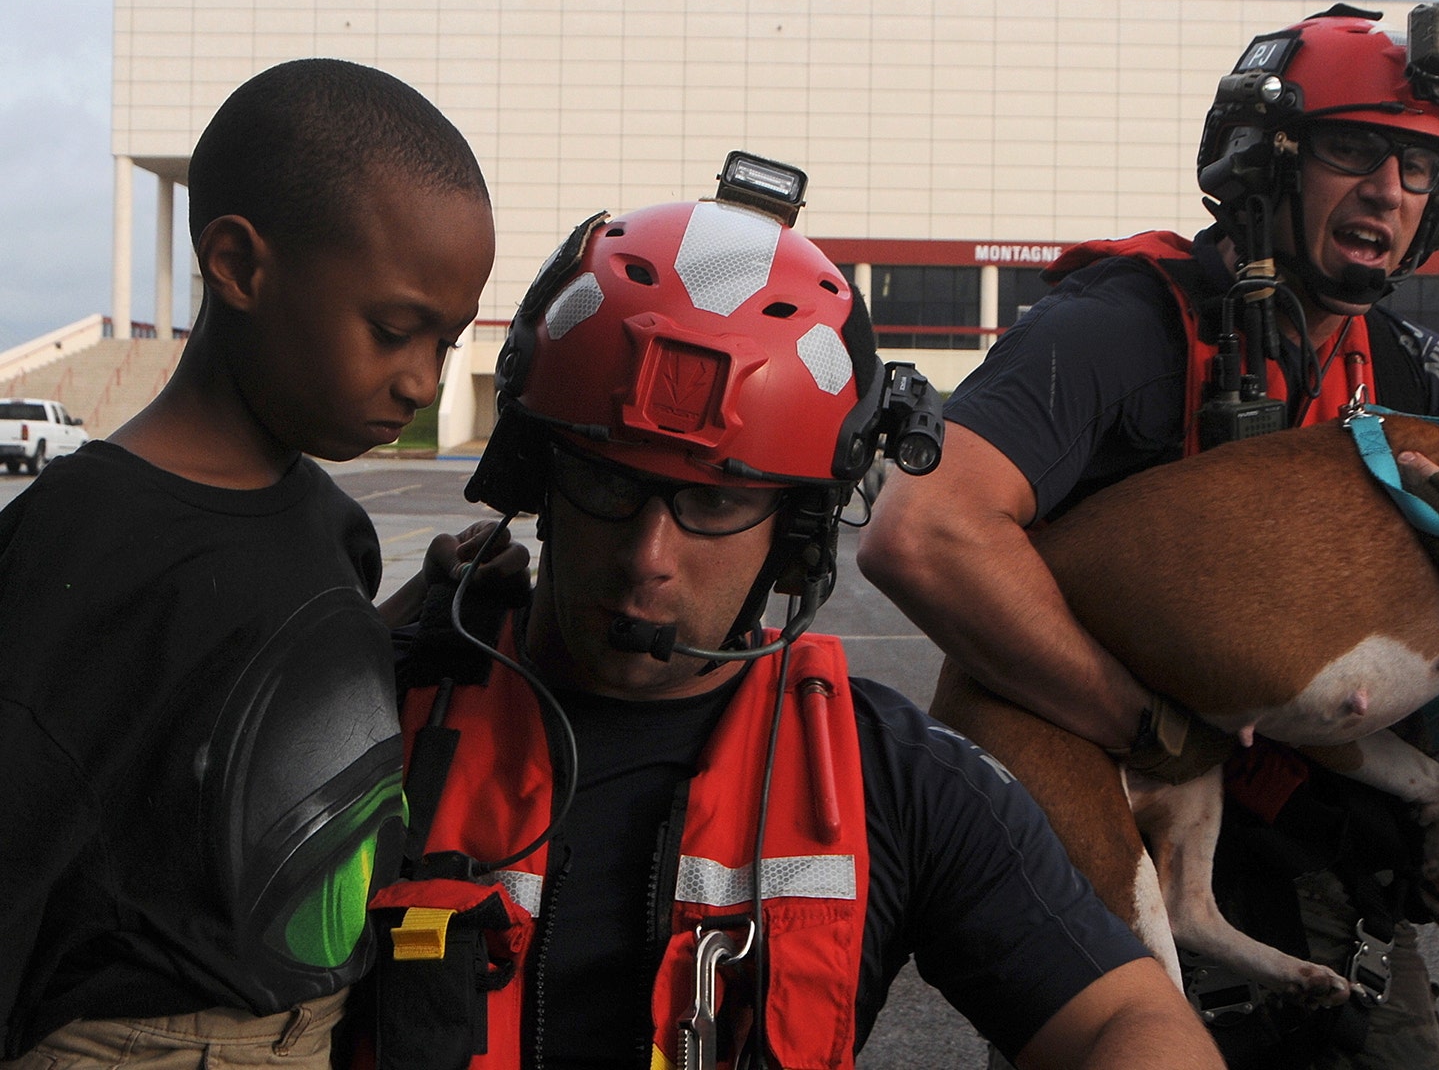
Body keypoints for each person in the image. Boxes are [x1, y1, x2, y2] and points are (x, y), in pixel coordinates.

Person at [353, 156, 1224, 1070]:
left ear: (799, 529)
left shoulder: (885, 778)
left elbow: (1131, 1021)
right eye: (611, 483)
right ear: (539, 473)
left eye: (717, 503)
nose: (649, 558)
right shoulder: (371, 706)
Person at [860, 4, 1439, 1070]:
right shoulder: (1119, 326)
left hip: (1336, 890)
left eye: (1420, 167)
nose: (1387, 188)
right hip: (1112, 884)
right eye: (1351, 148)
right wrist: (1141, 718)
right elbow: (924, 531)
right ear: (1259, 159)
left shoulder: (1423, 377)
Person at [0, 59, 495, 1066]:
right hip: (143, 1045)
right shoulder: (86, 539)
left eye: (445, 344)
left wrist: (422, 616)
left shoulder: (327, 521)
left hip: (314, 1031)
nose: (418, 379)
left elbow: (250, 694)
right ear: (237, 264)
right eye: (395, 330)